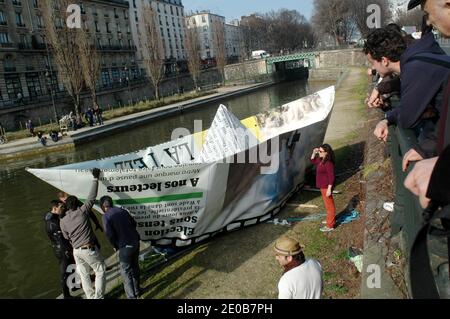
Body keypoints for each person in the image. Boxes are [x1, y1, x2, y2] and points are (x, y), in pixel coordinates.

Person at [60, 168, 106, 299]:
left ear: (67, 206)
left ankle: (91, 297)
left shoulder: (62, 221)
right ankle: (99, 297)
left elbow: (65, 236)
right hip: (88, 248)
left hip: (76, 251)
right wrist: (95, 178)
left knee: (84, 275)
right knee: (100, 270)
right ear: (76, 204)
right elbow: (92, 196)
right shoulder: (82, 212)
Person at [100, 196, 141, 299]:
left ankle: (131, 296)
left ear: (103, 206)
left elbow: (109, 234)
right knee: (135, 267)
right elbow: (134, 223)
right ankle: (137, 290)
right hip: (135, 241)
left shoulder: (105, 216)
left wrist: (115, 245)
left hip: (124, 246)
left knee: (126, 272)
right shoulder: (123, 210)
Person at [44, 200, 76, 299]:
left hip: (60, 247)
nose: (63, 209)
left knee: (72, 266)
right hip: (62, 249)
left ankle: (74, 286)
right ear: (54, 208)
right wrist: (67, 250)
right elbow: (60, 239)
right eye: (61, 207)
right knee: (64, 272)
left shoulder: (50, 217)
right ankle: (66, 296)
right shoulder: (53, 223)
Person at [311, 144, 336, 232]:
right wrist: (314, 152)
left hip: (326, 187)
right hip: (323, 186)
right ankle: (330, 219)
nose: (319, 153)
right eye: (319, 151)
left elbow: (331, 177)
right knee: (327, 205)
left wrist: (329, 189)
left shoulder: (328, 163)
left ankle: (330, 225)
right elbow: (313, 161)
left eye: (321, 152)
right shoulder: (321, 160)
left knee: (330, 206)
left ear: (326, 153)